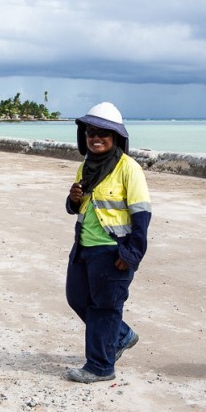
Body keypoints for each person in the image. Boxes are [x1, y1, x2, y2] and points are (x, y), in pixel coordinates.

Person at [65, 102, 152, 383]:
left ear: (116, 138)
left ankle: (100, 366)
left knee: (104, 308)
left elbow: (142, 215)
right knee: (77, 298)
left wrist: (132, 255)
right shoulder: (86, 167)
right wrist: (73, 200)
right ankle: (122, 335)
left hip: (113, 250)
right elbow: (79, 208)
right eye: (91, 132)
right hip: (83, 247)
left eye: (103, 133)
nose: (96, 138)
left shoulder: (129, 169)